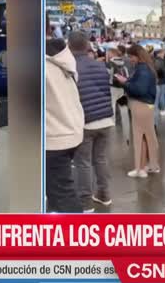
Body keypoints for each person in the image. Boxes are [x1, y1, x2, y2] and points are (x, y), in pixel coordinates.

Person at [68, 32, 115, 212]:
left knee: (83, 163)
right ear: (87, 45)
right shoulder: (100, 65)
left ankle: (86, 203)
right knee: (100, 159)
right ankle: (104, 194)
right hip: (105, 120)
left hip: (86, 122)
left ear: (69, 46)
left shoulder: (71, 68)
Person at [46, 38, 85, 213]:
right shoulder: (61, 57)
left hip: (54, 137)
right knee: (57, 192)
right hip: (70, 131)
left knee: (62, 195)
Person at [114, 45, 160, 178]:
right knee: (148, 137)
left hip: (140, 106)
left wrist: (124, 82)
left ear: (137, 56)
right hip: (147, 106)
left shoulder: (142, 70)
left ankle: (140, 169)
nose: (130, 59)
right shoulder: (147, 68)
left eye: (131, 56)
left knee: (139, 137)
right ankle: (152, 165)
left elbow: (139, 90)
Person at [153, 48, 165, 128]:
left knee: (160, 95)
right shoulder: (159, 61)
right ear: (159, 53)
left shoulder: (158, 60)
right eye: (162, 53)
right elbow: (159, 70)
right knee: (161, 95)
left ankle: (162, 109)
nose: (164, 54)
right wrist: (164, 72)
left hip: (160, 80)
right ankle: (163, 109)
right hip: (161, 81)